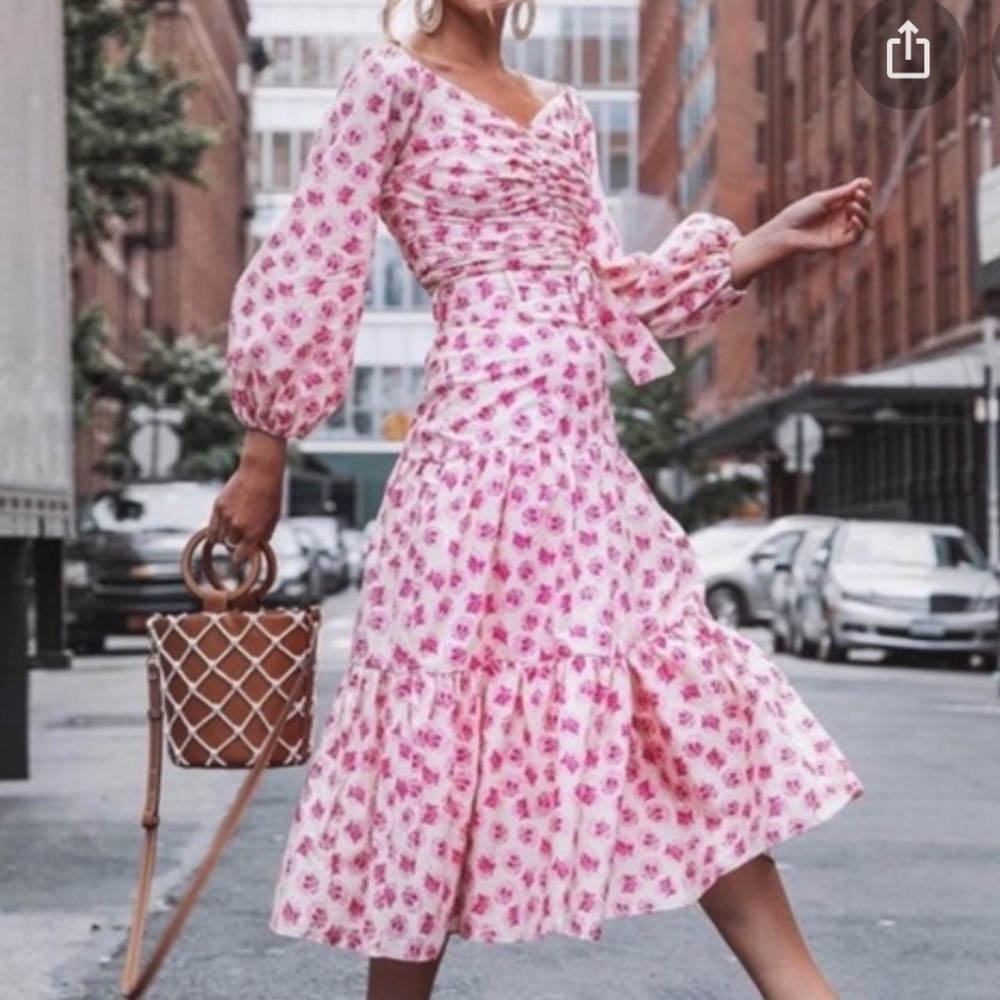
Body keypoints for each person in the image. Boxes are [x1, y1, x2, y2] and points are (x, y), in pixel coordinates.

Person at [208, 2, 871, 998]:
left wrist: (762, 242)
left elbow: (609, 292)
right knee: (439, 733)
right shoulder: (387, 81)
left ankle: (801, 986)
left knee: (664, 696)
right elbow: (318, 256)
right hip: (469, 461)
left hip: (581, 469)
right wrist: (264, 449)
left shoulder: (563, 110)